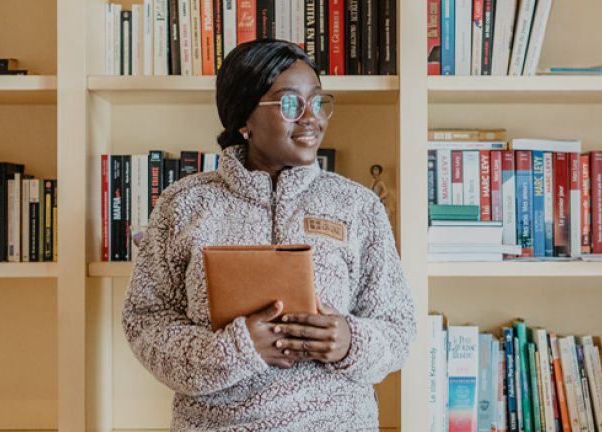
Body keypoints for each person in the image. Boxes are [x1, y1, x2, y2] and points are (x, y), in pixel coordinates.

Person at [121, 39, 416, 431]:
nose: (312, 118)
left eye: (318, 101)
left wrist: (349, 340)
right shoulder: (185, 204)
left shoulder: (357, 206)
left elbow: (398, 328)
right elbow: (145, 322)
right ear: (245, 118)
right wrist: (232, 351)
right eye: (290, 104)